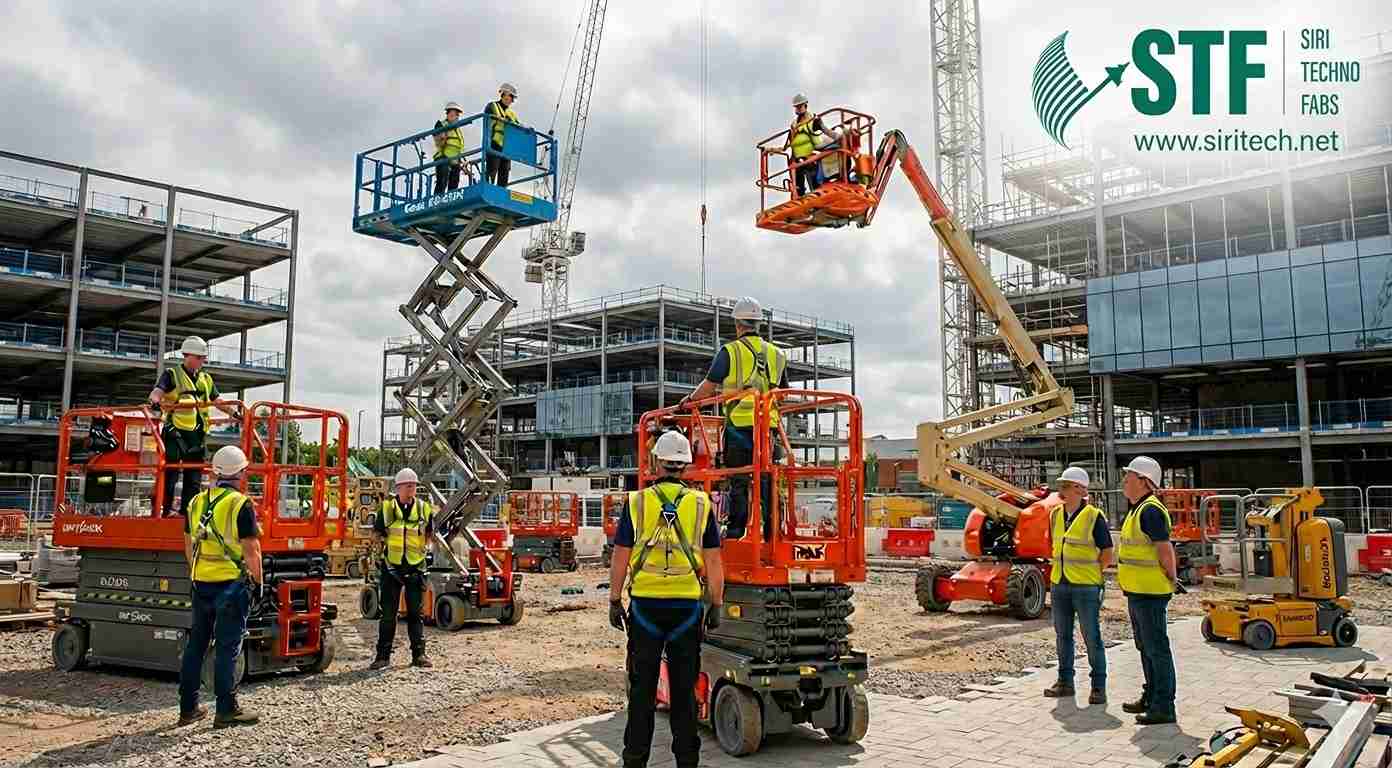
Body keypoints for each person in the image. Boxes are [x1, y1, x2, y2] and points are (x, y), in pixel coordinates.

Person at [609, 431, 724, 768]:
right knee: (684, 693)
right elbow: (714, 560)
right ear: (686, 465)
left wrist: (615, 600)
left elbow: (620, 555)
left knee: (642, 692)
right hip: (687, 609)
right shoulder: (702, 504)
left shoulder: (638, 502)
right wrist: (715, 603)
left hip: (645, 608)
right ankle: (687, 762)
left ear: (657, 462)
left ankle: (635, 761)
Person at [678, 296, 788, 540]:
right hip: (767, 427)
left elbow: (708, 386)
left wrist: (687, 402)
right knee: (767, 477)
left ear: (738, 324)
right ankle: (774, 532)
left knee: (739, 478)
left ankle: (737, 531)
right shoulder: (777, 354)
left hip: (739, 425)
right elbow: (782, 392)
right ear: (758, 324)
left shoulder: (730, 351)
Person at [177, 445, 262, 729]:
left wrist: (196, 573)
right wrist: (257, 584)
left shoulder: (195, 502)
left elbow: (189, 545)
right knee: (227, 648)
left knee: (197, 645)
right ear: (240, 473)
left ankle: (188, 708)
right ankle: (226, 710)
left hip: (201, 583)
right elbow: (252, 551)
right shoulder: (240, 504)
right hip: (230, 585)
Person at [1042, 467, 1113, 705]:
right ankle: (1065, 683)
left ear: (1081, 490)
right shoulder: (1054, 515)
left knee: (1091, 637)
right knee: (1062, 636)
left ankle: (1098, 687)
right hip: (1060, 583)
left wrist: (1093, 574)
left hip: (1086, 587)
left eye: (1067, 486)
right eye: (1061, 485)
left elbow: (1107, 552)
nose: (1061, 490)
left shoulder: (1094, 516)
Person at [1117, 455, 1178, 726]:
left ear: (1144, 481)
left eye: (1128, 476)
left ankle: (1164, 706)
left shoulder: (1150, 510)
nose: (1124, 481)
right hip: (1138, 591)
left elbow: (1165, 550)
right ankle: (1152, 695)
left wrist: (1172, 578)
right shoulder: (1137, 509)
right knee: (1146, 647)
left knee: (1156, 649)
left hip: (1151, 592)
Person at [148, 336, 233, 517]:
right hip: (174, 433)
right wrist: (154, 402)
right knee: (169, 473)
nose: (203, 361)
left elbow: (217, 400)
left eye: (203, 358)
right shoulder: (172, 375)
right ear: (188, 356)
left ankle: (187, 512)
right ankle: (164, 510)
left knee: (193, 476)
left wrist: (234, 413)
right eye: (200, 357)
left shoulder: (206, 379)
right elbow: (156, 392)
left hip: (196, 435)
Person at [369, 467, 433, 670]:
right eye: (407, 485)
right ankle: (382, 657)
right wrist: (377, 554)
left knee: (416, 614)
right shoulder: (387, 509)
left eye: (414, 485)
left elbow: (429, 534)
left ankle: (419, 655)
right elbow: (377, 534)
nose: (411, 489)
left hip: (415, 567)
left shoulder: (424, 508)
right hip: (392, 567)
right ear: (398, 488)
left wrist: (427, 550)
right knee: (388, 614)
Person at [785, 93, 828, 197]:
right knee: (799, 184)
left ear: (805, 106)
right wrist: (772, 149)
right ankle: (800, 199)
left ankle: (818, 195)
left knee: (813, 176)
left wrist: (837, 137)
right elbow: (787, 145)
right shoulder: (794, 125)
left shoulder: (813, 120)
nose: (798, 109)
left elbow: (823, 133)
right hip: (797, 160)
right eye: (796, 107)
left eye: (800, 106)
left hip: (811, 156)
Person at [485, 82, 520, 187]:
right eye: (508, 95)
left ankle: (501, 193)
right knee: (492, 170)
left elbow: (518, 127)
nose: (509, 99)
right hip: (494, 144)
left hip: (506, 147)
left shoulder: (512, 113)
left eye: (511, 97)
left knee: (504, 173)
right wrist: (502, 119)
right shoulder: (492, 106)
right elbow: (488, 117)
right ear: (503, 94)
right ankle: (487, 188)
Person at [432, 101, 466, 195]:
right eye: (453, 113)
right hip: (443, 157)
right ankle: (437, 201)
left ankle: (451, 201)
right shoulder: (441, 124)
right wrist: (443, 136)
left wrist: (462, 162)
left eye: (457, 114)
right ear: (448, 113)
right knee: (442, 182)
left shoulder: (458, 130)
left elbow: (459, 147)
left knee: (454, 185)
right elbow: (439, 141)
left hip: (455, 161)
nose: (455, 116)